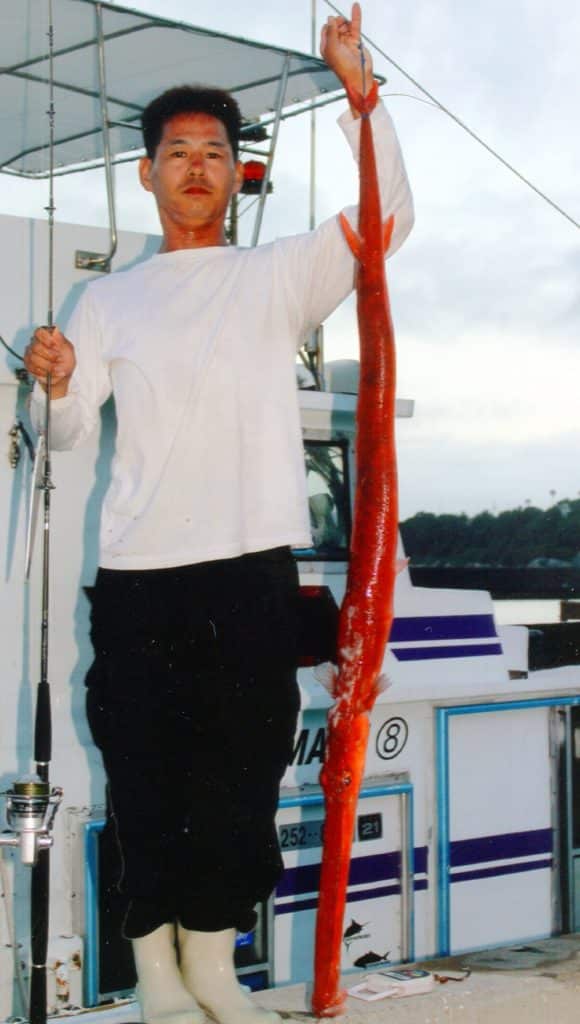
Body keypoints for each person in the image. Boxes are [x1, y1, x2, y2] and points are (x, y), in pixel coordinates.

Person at [25, 5, 413, 1023]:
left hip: (251, 575)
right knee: (147, 784)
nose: (196, 165)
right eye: (176, 151)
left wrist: (358, 93)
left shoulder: (273, 277)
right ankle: (156, 980)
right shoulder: (108, 301)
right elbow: (65, 437)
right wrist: (55, 383)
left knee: (239, 784)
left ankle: (212, 968)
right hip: (140, 579)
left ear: (237, 175)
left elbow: (387, 221)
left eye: (214, 151)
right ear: (148, 174)